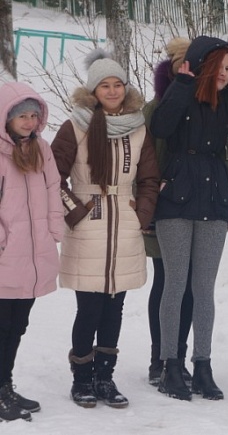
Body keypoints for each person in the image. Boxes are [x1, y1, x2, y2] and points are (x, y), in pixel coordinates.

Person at [151, 36, 228, 401]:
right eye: (220, 67)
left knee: (204, 289)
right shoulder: (181, 91)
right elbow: (161, 127)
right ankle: (170, 364)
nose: (225, 75)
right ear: (203, 65)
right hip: (177, 200)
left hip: (214, 201)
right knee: (175, 284)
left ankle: (202, 366)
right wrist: (183, 85)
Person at [51, 51, 160, 409]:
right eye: (104, 85)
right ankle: (81, 379)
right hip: (88, 225)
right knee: (90, 309)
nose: (112, 91)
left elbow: (149, 179)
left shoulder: (137, 126)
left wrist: (141, 216)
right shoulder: (75, 126)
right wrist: (75, 212)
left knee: (115, 309)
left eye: (117, 84)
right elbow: (53, 177)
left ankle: (105, 376)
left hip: (125, 226)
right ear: (92, 91)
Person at [0, 83, 65, 422]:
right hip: (6, 255)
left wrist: (54, 229)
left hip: (35, 252)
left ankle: (5, 385)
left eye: (32, 116)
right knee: (2, 325)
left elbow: (53, 188)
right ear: (6, 118)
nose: (28, 122)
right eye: (21, 116)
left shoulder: (41, 149)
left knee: (18, 325)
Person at [144, 37, 197, 387]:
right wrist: (148, 206)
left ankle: (179, 353)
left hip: (199, 208)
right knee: (167, 281)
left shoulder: (208, 104)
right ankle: (159, 358)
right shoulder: (154, 108)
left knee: (190, 284)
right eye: (185, 63)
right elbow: (145, 161)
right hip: (162, 209)